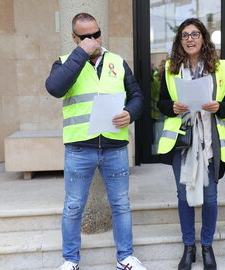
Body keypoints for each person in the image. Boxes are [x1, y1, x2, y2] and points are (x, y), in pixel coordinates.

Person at [45, 13, 147, 270]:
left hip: (114, 147)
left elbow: (137, 96)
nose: (93, 40)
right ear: (74, 38)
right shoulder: (65, 63)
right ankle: (70, 261)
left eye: (97, 34)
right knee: (73, 206)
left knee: (121, 204)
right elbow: (55, 88)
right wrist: (82, 53)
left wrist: (131, 113)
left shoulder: (117, 62)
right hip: (80, 148)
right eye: (86, 36)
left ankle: (125, 257)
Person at [156, 18, 225, 270]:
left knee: (210, 198)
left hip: (210, 143)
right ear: (180, 41)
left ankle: (207, 246)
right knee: (183, 196)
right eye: (185, 35)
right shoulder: (170, 68)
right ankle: (189, 246)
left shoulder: (221, 68)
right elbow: (161, 104)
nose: (190, 39)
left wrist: (220, 107)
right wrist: (173, 107)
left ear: (203, 38)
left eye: (195, 34)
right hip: (183, 143)